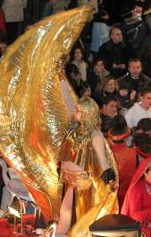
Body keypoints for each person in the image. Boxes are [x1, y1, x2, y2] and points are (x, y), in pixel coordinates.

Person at [57, 97, 118, 235]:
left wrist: (109, 180)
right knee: (66, 215)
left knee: (74, 219)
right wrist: (60, 77)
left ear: (87, 113)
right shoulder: (73, 127)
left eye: (78, 111)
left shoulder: (95, 134)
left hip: (81, 184)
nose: (75, 112)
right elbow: (67, 102)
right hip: (69, 180)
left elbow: (103, 160)